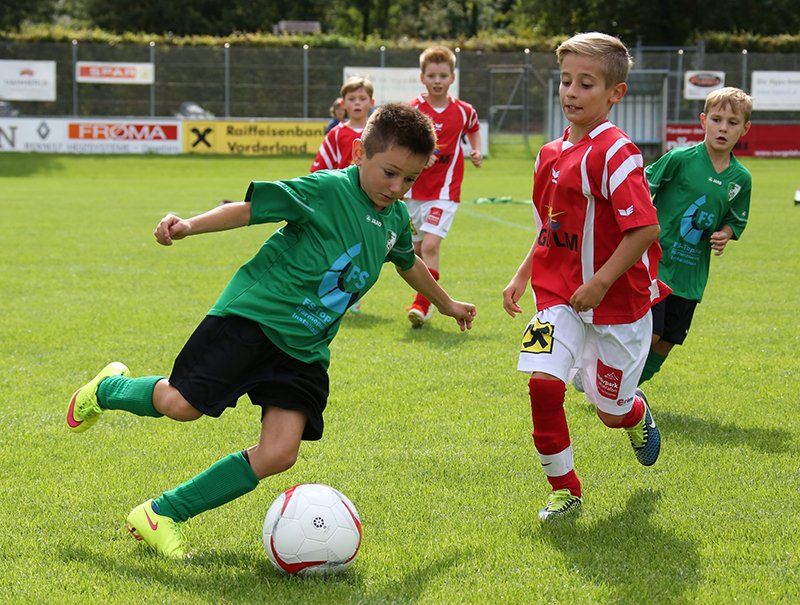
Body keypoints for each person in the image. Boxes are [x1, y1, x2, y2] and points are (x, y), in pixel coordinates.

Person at [66, 103, 476, 559]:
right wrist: (187, 227)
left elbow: (407, 262)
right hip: (254, 320)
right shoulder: (325, 190)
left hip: (305, 350)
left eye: (410, 179)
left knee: (280, 452)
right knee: (180, 405)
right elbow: (249, 210)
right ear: (360, 152)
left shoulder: (395, 218)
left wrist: (447, 303)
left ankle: (162, 514)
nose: (397, 188)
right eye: (390, 173)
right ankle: (108, 389)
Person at [502, 32, 669, 521]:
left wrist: (599, 283)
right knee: (542, 385)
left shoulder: (617, 152)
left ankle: (634, 413)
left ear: (616, 93)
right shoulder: (547, 154)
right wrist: (521, 275)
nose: (571, 92)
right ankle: (565, 489)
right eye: (565, 81)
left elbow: (645, 229)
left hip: (617, 305)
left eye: (586, 84)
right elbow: (548, 229)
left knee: (609, 412)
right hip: (558, 297)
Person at [637, 87, 752, 385]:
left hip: (691, 276)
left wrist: (725, 234)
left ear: (745, 128)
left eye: (732, 122)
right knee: (651, 334)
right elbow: (641, 187)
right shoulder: (679, 158)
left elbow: (735, 219)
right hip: (658, 264)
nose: (723, 128)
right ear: (703, 121)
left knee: (667, 342)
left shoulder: (741, 179)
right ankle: (614, 389)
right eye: (716, 119)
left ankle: (626, 388)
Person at [405, 45, 482, 328]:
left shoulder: (464, 110)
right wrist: (419, 156)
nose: (437, 81)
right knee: (415, 252)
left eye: (443, 75)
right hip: (413, 192)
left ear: (452, 77)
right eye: (432, 75)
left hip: (445, 192)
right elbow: (402, 141)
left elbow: (473, 129)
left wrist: (475, 150)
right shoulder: (413, 110)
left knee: (431, 245)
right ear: (422, 77)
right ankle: (425, 299)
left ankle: (422, 305)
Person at [311, 77, 374, 172]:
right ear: (343, 103)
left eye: (362, 98)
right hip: (344, 182)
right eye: (351, 99)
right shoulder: (335, 134)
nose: (357, 103)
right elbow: (318, 172)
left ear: (371, 102)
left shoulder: (379, 133)